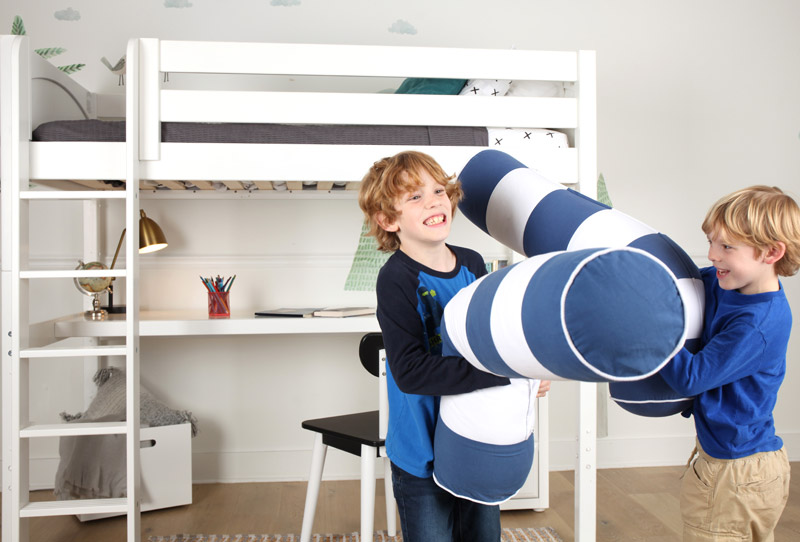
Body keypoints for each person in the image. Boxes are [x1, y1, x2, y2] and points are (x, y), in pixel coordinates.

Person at [358, 150, 549, 542]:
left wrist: (528, 373)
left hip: (477, 439)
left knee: (483, 535)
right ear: (388, 220)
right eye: (415, 197)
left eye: (438, 190)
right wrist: (500, 374)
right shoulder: (395, 279)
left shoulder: (472, 264)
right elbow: (410, 372)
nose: (433, 201)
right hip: (420, 451)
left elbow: (496, 340)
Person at [659, 185, 800, 542]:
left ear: (771, 252)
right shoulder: (726, 283)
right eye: (710, 242)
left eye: (726, 247)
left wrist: (650, 337)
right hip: (739, 460)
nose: (711, 255)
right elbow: (688, 282)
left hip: (736, 471)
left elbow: (691, 378)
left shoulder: (758, 324)